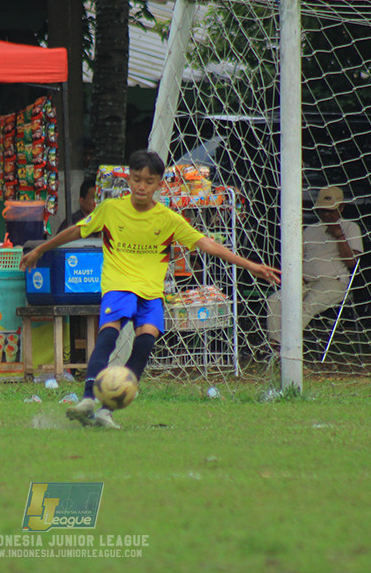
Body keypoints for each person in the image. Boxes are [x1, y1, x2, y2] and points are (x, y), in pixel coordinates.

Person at [20, 149, 281, 429]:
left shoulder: (167, 219)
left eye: (149, 181)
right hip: (118, 286)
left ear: (159, 184)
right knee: (108, 335)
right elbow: (75, 231)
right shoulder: (110, 209)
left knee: (145, 343)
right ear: (129, 180)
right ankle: (86, 400)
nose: (141, 186)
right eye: (136, 179)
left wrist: (250, 265)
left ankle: (107, 409)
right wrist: (41, 250)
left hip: (151, 293)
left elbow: (206, 244)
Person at [265, 186, 363, 346]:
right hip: (306, 281)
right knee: (275, 300)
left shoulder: (350, 228)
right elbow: (298, 259)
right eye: (322, 211)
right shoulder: (310, 230)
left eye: (330, 211)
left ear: (341, 207)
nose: (326, 215)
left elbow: (352, 263)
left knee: (306, 306)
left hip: (333, 283)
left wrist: (338, 235)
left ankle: (286, 345)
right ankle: (275, 343)